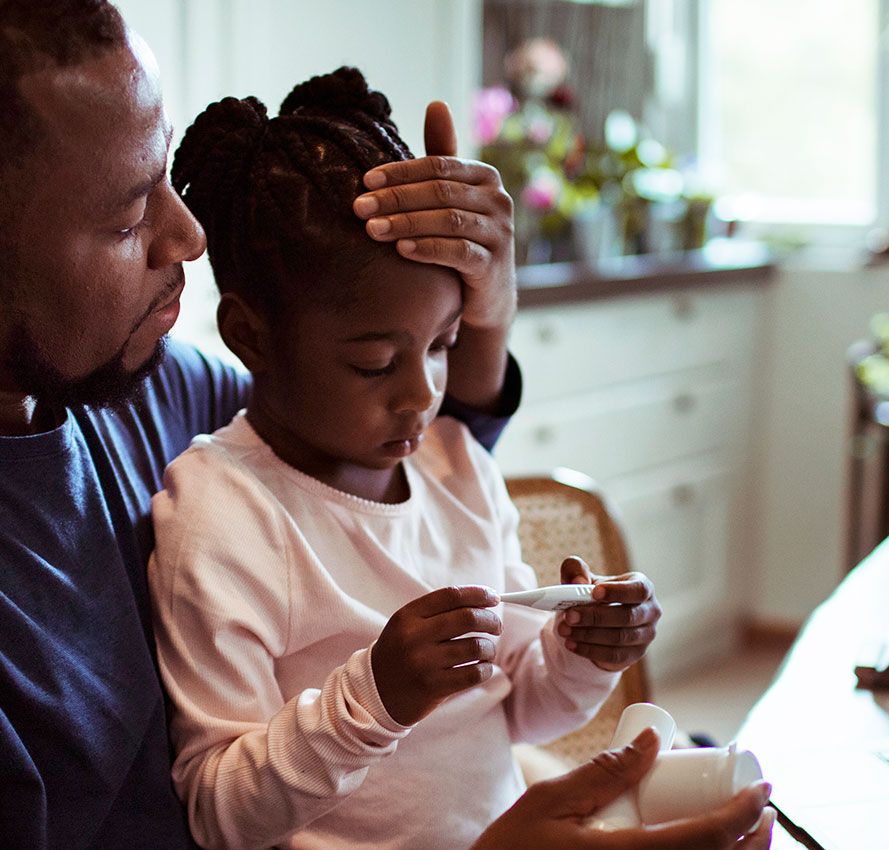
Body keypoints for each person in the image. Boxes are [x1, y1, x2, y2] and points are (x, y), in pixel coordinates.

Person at [0, 2, 773, 849]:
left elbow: (373, 476)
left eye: (166, 178)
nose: (186, 236)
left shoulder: (138, 387)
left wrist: (477, 310)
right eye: (128, 215)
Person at [149, 69, 653, 850]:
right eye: (375, 362)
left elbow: (519, 711)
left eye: (444, 346)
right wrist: (375, 697)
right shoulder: (223, 514)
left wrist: (581, 656)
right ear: (249, 334)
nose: (422, 395)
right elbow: (220, 814)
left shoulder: (455, 466)